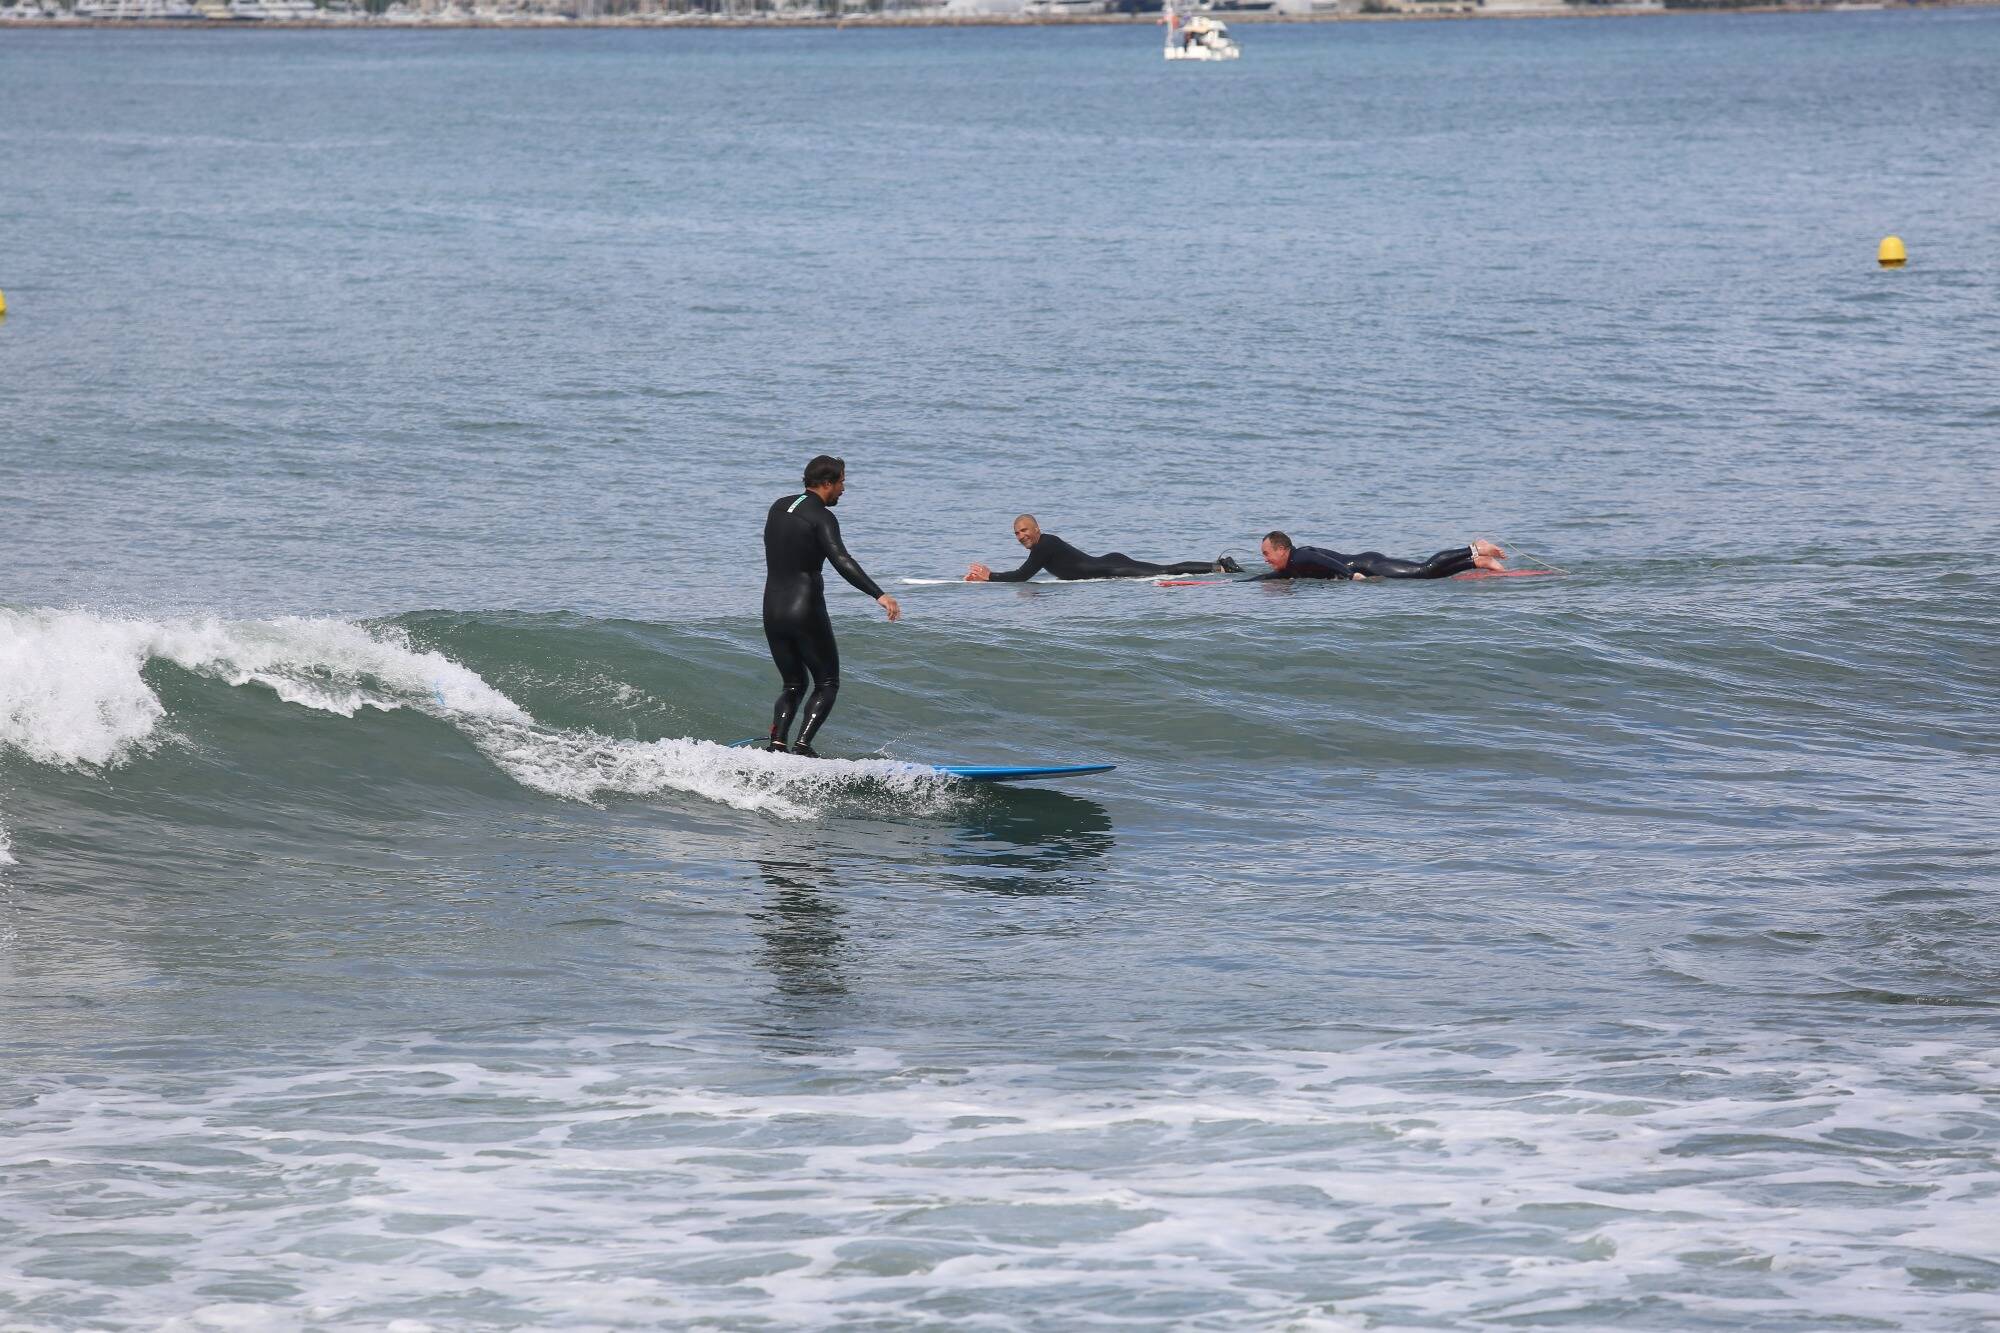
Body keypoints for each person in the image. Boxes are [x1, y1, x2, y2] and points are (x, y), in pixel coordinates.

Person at [762, 455, 900, 757]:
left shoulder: (778, 506)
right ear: (827, 483)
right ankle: (802, 746)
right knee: (826, 682)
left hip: (771, 606)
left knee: (793, 684)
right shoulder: (822, 517)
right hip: (804, 606)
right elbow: (842, 559)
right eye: (841, 482)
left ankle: (777, 745)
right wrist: (878, 594)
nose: (843, 489)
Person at [966, 515, 1241, 582]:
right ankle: (1218, 566)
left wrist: (990, 576)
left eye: (1024, 530)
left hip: (1112, 567)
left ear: (1037, 529)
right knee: (1162, 570)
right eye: (1016, 533)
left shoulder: (1045, 544)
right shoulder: (1042, 546)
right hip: (1107, 562)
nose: (1021, 535)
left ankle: (1220, 566)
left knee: (1164, 571)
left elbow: (1022, 576)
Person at [1251, 531, 1508, 581]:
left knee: (1424, 570)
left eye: (1267, 553)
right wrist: (1232, 580)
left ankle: (1475, 548)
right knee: (1427, 575)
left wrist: (1351, 575)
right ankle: (1477, 561)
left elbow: (1325, 562)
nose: (1265, 558)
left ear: (1282, 550)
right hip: (1367, 564)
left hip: (1369, 564)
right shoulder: (1290, 565)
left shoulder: (1302, 556)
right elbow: (1268, 576)